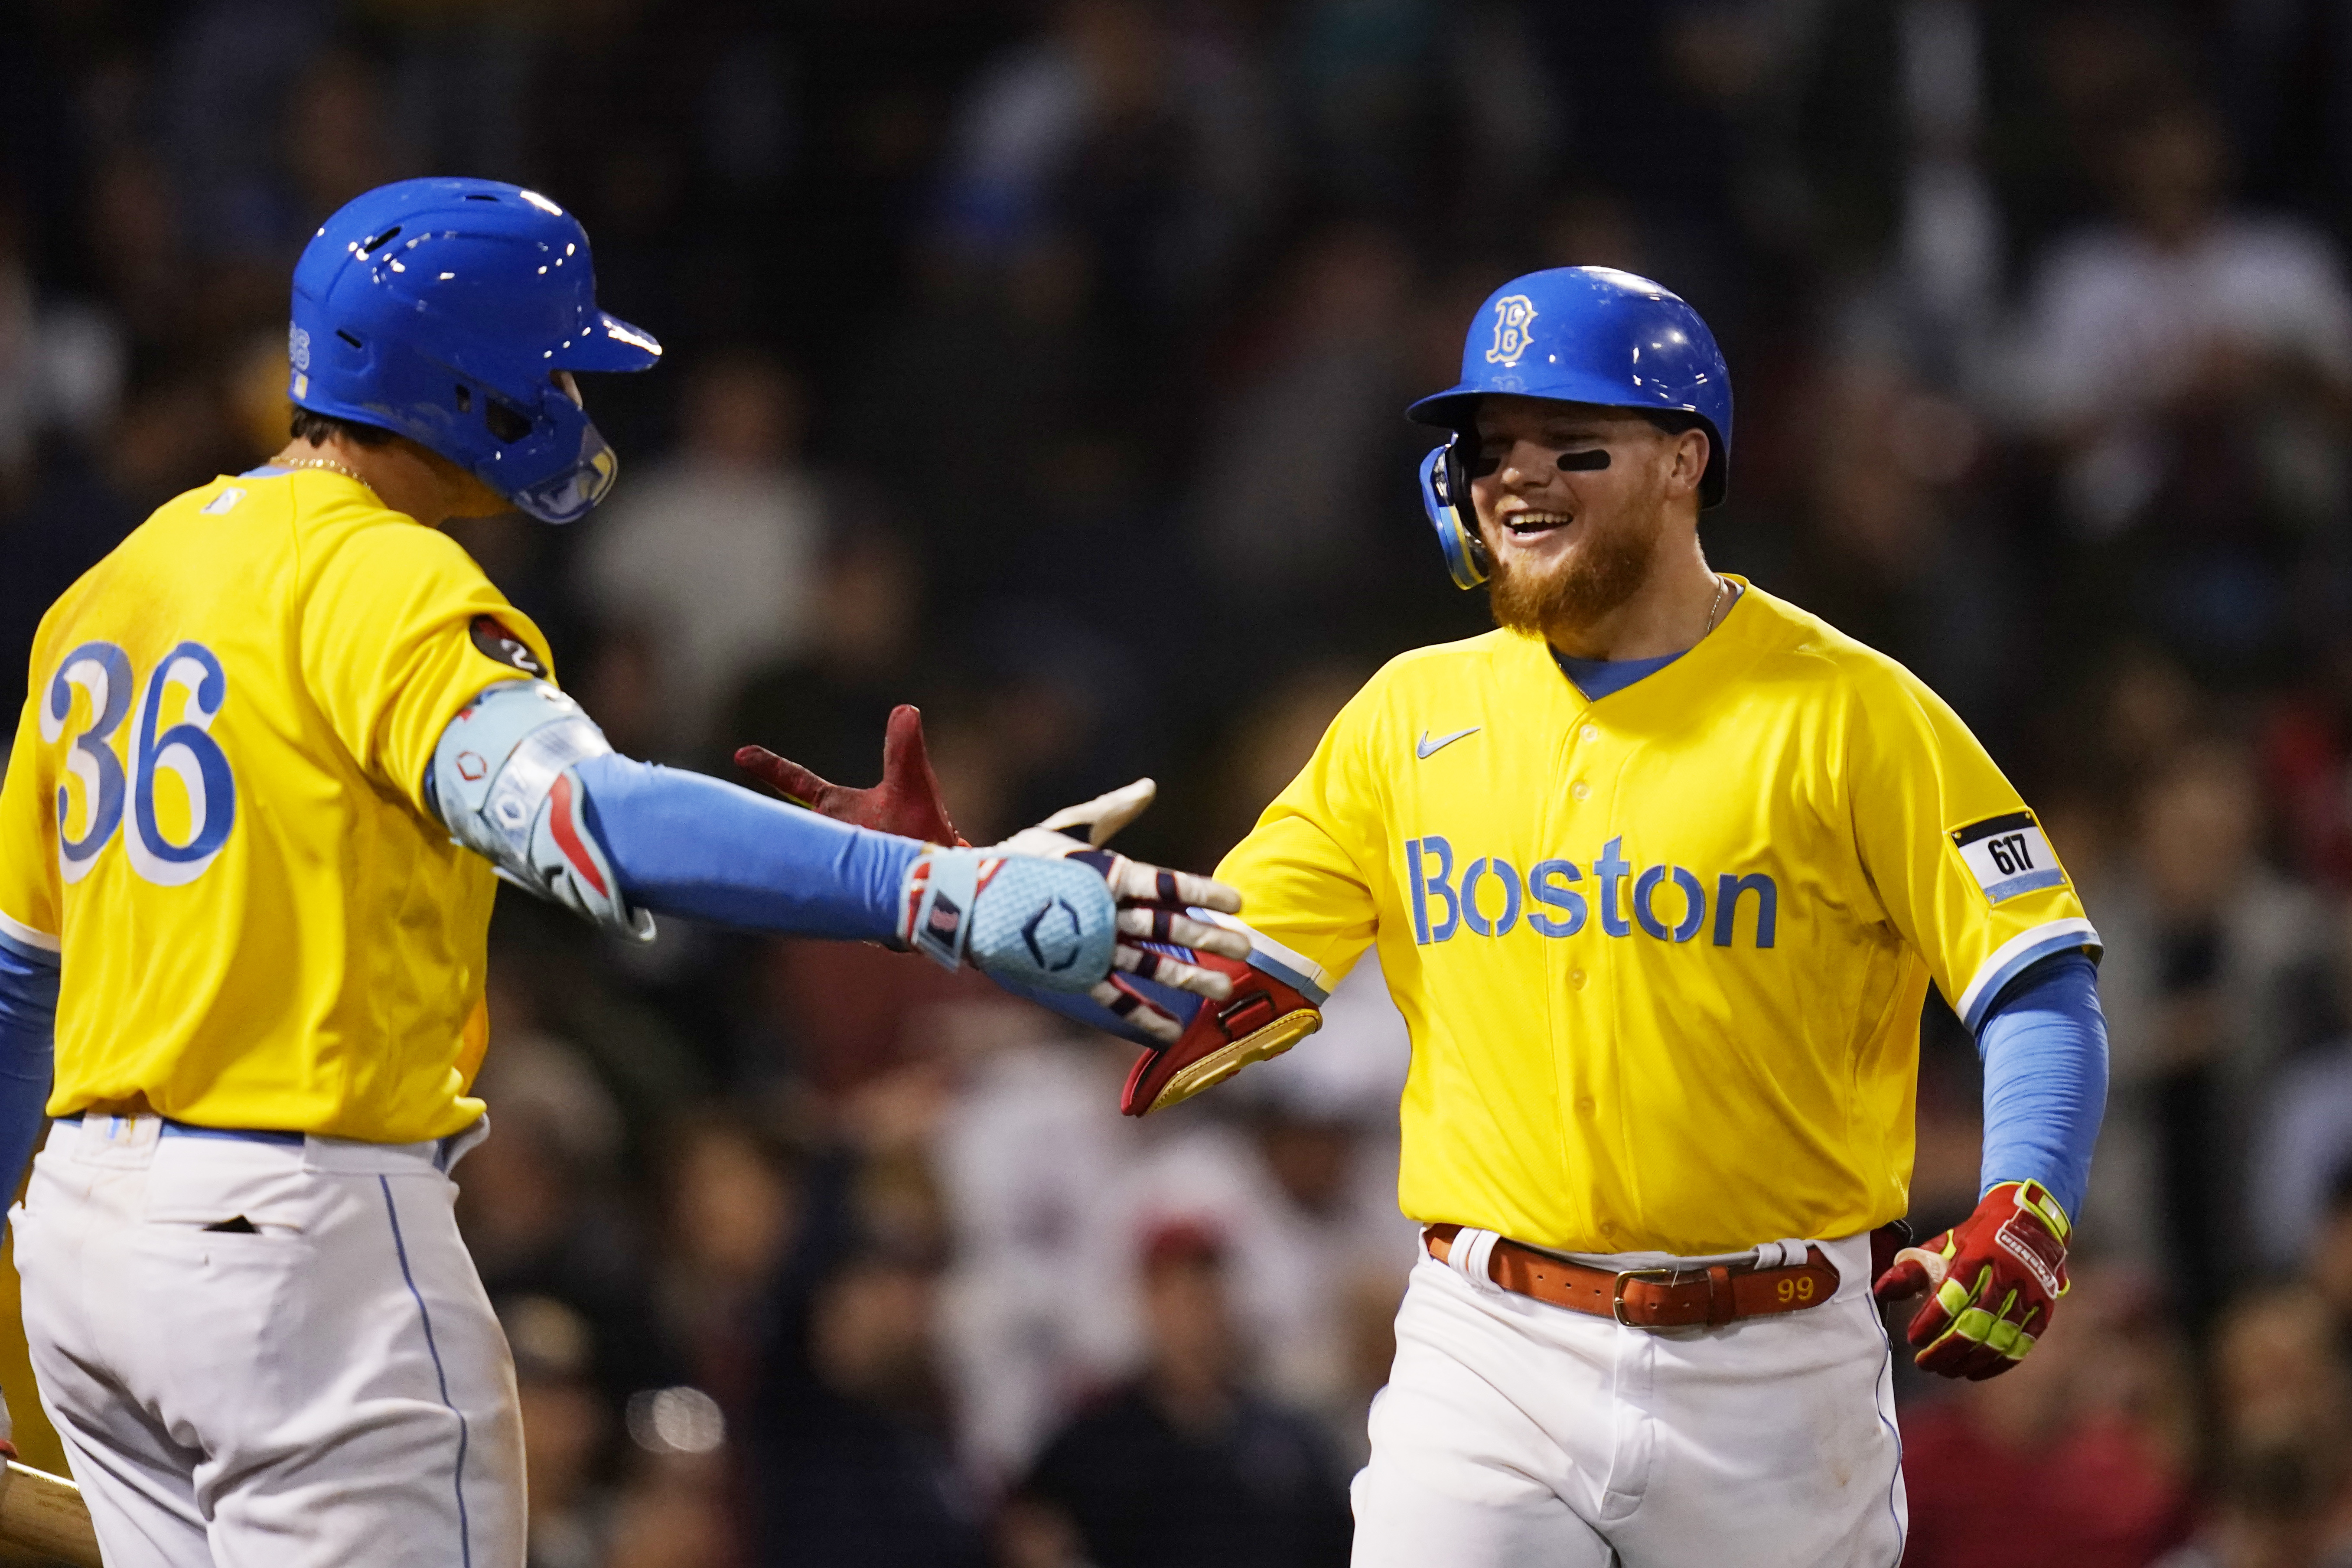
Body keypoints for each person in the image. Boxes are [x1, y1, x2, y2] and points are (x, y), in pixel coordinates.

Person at [744, 266, 2110, 1563]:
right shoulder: (1411, 715)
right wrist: (960, 901)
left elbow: (2032, 968)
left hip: (1775, 1361)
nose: (1513, 470)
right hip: (1491, 1339)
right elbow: (1221, 973)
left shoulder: (1855, 713)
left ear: (1685, 460)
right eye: (1487, 440)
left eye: (1567, 438)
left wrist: (2027, 1195)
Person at [0, 176, 1243, 1568]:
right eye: (552, 365)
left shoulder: (105, 593)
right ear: (458, 384)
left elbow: (15, 990)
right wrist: (931, 896)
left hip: (87, 1251)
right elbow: (591, 819)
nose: (575, 400)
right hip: (298, 1250)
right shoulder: (379, 579)